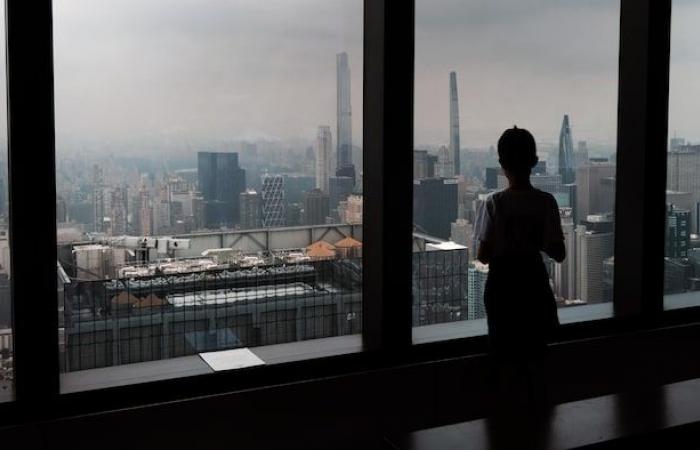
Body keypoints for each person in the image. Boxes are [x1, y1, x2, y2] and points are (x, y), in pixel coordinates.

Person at [474, 126, 565, 412]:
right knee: (536, 355)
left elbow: (483, 256)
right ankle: (539, 417)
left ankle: (504, 421)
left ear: (501, 165)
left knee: (503, 354)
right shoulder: (546, 202)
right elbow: (559, 253)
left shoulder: (493, 203)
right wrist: (534, 238)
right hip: (533, 283)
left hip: (502, 286)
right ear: (535, 161)